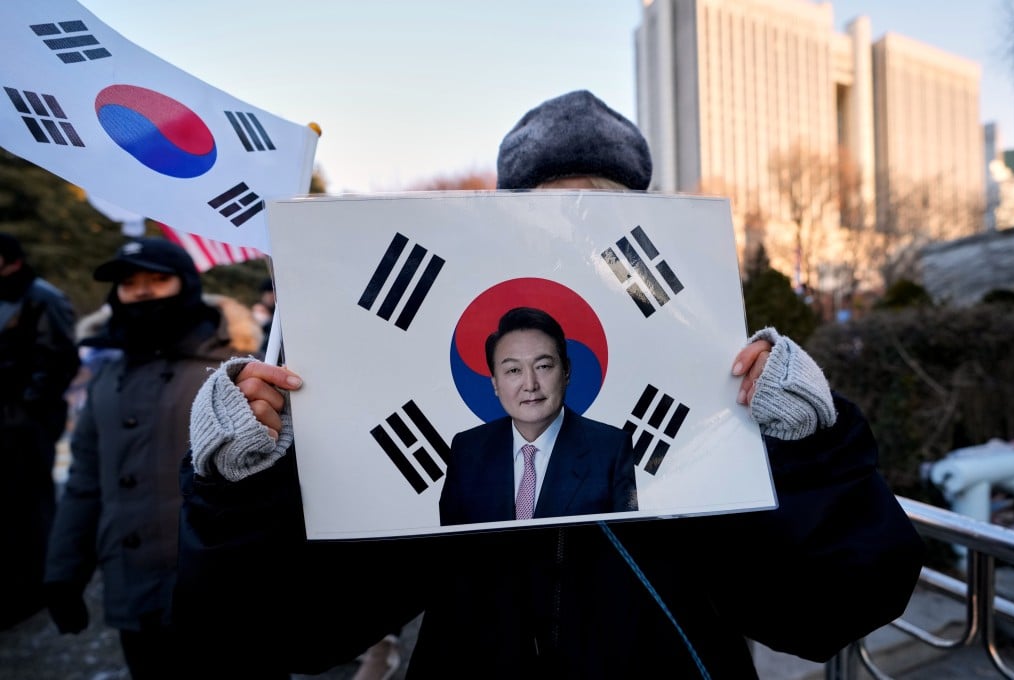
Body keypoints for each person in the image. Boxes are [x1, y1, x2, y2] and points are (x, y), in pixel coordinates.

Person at [174, 90, 924, 678]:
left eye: (600, 213)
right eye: (549, 215)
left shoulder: (712, 399)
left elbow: (835, 606)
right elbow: (293, 631)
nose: (575, 238)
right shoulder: (448, 453)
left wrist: (809, 445)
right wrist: (243, 485)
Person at [43, 237, 262, 679]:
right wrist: (64, 571)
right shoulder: (106, 376)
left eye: (157, 280)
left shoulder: (239, 372)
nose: (141, 291)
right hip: (135, 591)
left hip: (228, 596)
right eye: (129, 283)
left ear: (186, 284)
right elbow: (86, 479)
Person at [440, 306, 637, 525]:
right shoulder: (467, 451)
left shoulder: (612, 450)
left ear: (566, 371)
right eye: (514, 370)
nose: (530, 384)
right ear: (495, 383)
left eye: (543, 366)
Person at [0, 233, 79, 631]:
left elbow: (58, 359)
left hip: (23, 425)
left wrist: (28, 410)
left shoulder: (42, 297)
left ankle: (34, 589)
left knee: (28, 507)